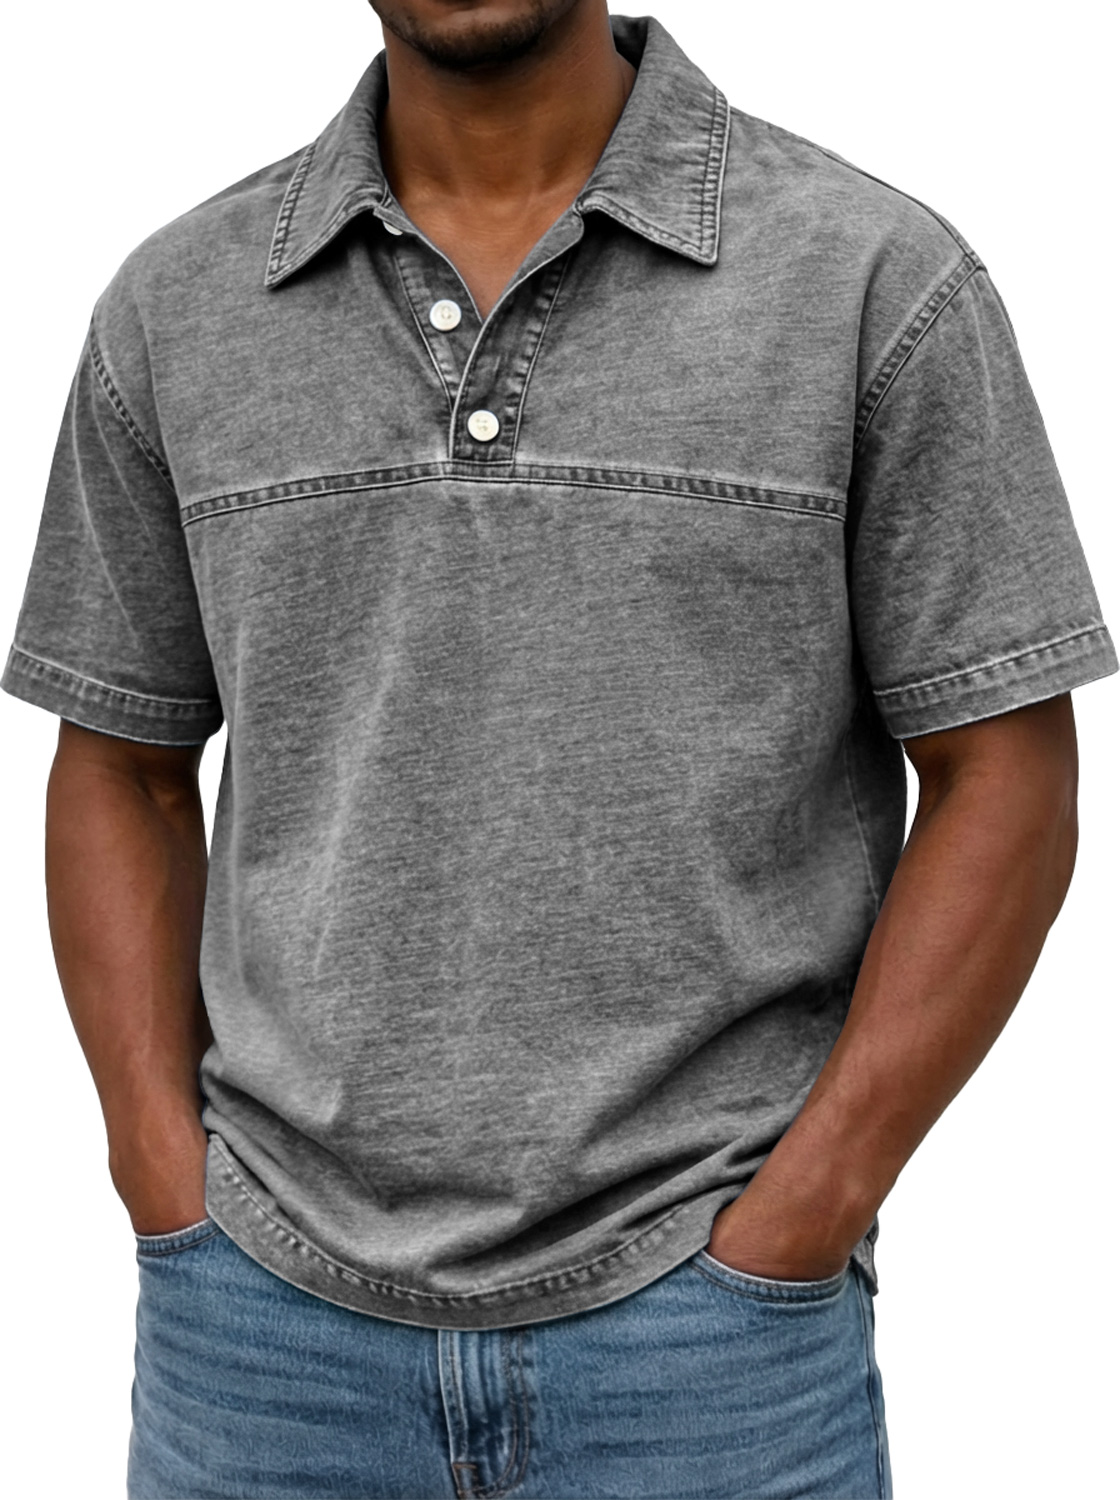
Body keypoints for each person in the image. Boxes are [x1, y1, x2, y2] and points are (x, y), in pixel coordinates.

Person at [3, 1, 1115, 1495]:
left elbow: (1006, 767)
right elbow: (121, 763)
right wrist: (161, 1182)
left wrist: (812, 1205)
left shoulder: (870, 279)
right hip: (260, 1339)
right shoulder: (176, 304)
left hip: (710, 1340)